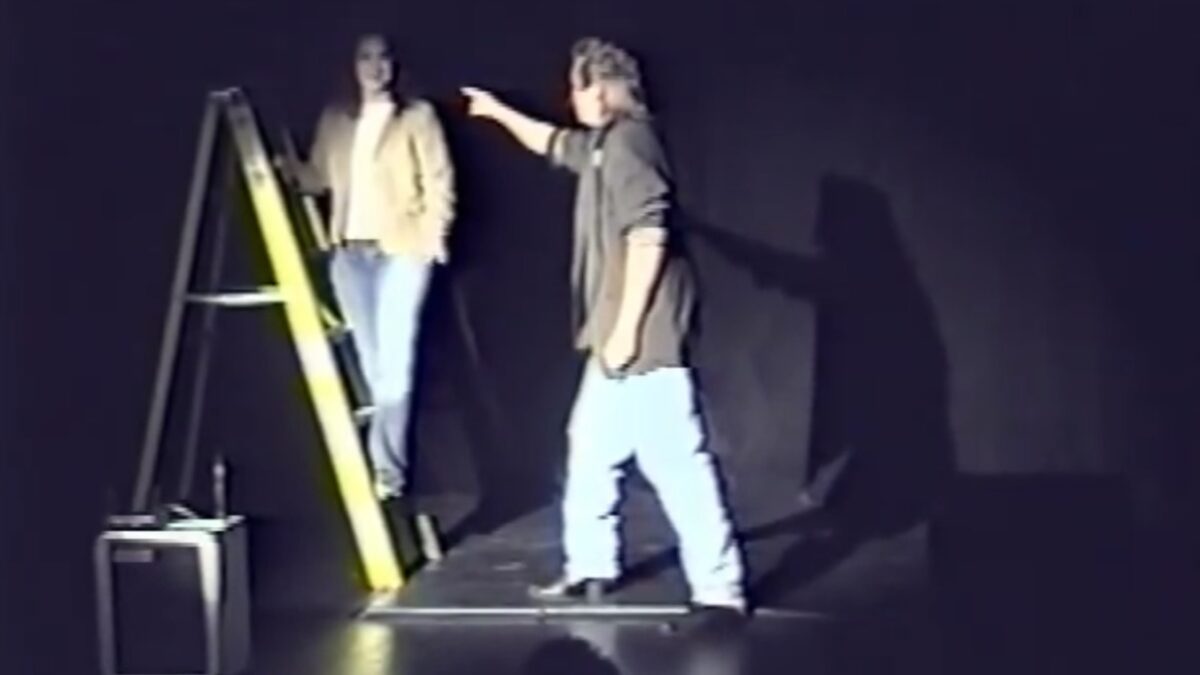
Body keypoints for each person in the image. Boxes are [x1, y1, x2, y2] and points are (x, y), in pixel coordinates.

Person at [462, 37, 746, 617]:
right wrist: (496, 112)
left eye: (577, 87)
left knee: (676, 461)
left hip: (643, 339)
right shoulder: (599, 145)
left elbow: (649, 234)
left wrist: (626, 330)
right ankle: (592, 566)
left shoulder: (631, 142)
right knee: (591, 450)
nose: (571, 100)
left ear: (601, 89)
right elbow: (552, 141)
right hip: (612, 337)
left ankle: (720, 589)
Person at [285, 33, 455, 501]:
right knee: (373, 365)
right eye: (366, 57)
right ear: (352, 64)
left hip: (401, 249)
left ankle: (388, 475)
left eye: (384, 57)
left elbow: (439, 180)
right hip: (350, 254)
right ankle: (376, 468)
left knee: (395, 367)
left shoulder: (417, 116)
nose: (375, 67)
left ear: (396, 65)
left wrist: (434, 238)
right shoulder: (337, 119)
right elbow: (318, 178)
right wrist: (283, 167)